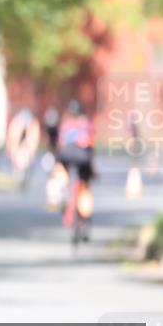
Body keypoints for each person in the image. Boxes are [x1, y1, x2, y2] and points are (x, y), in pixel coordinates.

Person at [56, 99, 96, 232]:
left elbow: (60, 143)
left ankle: (62, 194)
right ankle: (85, 215)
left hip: (66, 156)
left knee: (62, 176)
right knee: (85, 187)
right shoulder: (86, 124)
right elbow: (90, 144)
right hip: (83, 157)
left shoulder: (66, 124)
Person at [5, 108, 40, 188]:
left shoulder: (33, 125)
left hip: (26, 147)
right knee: (17, 163)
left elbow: (34, 139)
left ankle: (24, 177)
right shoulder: (15, 124)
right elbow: (12, 138)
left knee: (27, 164)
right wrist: (10, 150)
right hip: (18, 147)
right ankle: (18, 177)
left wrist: (32, 152)